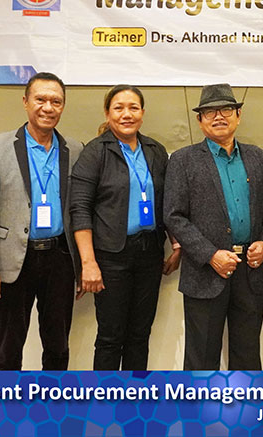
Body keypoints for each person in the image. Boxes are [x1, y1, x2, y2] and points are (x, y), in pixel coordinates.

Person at [164, 83, 263, 370]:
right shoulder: (182, 160)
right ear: (199, 120)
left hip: (250, 271)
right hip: (205, 272)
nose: (218, 116)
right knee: (201, 360)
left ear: (238, 115)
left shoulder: (258, 157)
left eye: (226, 109)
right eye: (209, 111)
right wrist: (211, 255)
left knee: (247, 357)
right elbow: (174, 216)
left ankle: (245, 402)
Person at [0, 72, 82, 370]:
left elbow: (80, 209)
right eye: (41, 99)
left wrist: (82, 264)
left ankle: (53, 398)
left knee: (58, 345)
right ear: (25, 102)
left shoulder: (75, 149)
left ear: (63, 106)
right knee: (9, 349)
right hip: (13, 260)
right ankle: (6, 399)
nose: (48, 107)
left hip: (60, 259)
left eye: (56, 101)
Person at [69, 85, 180, 370]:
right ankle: (106, 398)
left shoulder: (155, 151)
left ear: (143, 113)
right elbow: (79, 208)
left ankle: (135, 396)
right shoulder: (95, 152)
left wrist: (176, 244)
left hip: (149, 253)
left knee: (139, 335)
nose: (126, 114)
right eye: (119, 108)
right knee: (110, 337)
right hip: (110, 256)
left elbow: (168, 201)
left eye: (133, 107)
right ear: (107, 113)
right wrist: (88, 263)